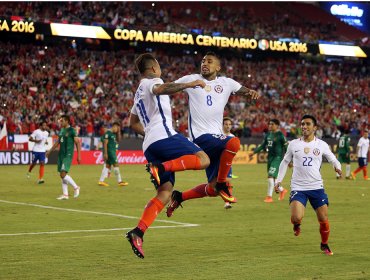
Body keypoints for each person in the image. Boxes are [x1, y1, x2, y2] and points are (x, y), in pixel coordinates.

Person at [125, 53, 210, 259]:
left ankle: (138, 232)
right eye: (159, 66)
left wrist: (150, 134)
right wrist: (189, 84)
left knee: (165, 191)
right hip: (164, 136)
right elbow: (161, 89)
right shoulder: (153, 82)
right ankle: (160, 168)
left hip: (150, 145)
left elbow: (132, 123)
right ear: (154, 68)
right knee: (204, 159)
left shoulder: (138, 93)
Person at [166, 51, 259, 217]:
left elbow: (242, 89)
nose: (204, 64)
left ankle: (180, 197)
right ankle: (223, 183)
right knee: (234, 142)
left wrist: (250, 91)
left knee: (214, 188)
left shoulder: (226, 83)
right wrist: (185, 86)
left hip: (215, 139)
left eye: (209, 61)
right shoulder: (191, 79)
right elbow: (167, 88)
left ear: (218, 67)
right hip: (200, 137)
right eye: (203, 61)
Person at [274, 115, 342, 256]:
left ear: (315, 128)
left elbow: (333, 158)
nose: (304, 126)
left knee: (323, 219)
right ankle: (297, 224)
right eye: (302, 124)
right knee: (296, 217)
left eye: (307, 124)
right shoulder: (294, 144)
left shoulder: (321, 145)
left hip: (317, 187)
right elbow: (285, 162)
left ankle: (324, 245)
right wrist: (278, 180)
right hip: (299, 188)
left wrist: (337, 167)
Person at [249, 119, 289, 203]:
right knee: (272, 178)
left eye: (272, 124)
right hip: (270, 158)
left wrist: (289, 160)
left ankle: (269, 197)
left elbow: (286, 148)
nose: (270, 126)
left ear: (277, 125)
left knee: (270, 176)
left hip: (277, 158)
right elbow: (262, 146)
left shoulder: (280, 135)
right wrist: (253, 153)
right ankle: (282, 190)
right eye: (269, 124)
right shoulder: (268, 135)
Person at [46, 115, 81, 200]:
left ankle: (76, 187)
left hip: (68, 155)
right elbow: (57, 142)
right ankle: (65, 194)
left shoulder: (72, 130)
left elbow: (78, 142)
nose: (61, 122)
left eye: (62, 121)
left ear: (67, 121)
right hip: (61, 155)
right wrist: (50, 151)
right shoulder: (61, 130)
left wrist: (79, 156)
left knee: (63, 174)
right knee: (62, 175)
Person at [98, 122, 129, 187]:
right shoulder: (108, 133)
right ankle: (120, 181)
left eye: (118, 129)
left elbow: (119, 140)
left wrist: (119, 132)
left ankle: (101, 181)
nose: (117, 130)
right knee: (116, 165)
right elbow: (105, 143)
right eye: (117, 128)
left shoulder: (113, 134)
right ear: (114, 126)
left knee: (107, 166)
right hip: (110, 152)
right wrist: (105, 153)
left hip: (112, 151)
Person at [222, 117, 237, 209]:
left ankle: (228, 201)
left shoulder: (232, 137)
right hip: (218, 162)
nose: (228, 126)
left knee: (227, 181)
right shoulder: (219, 135)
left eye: (229, 124)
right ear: (222, 125)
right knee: (217, 184)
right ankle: (227, 200)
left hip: (227, 162)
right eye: (226, 124)